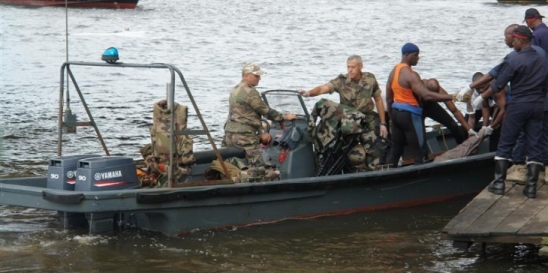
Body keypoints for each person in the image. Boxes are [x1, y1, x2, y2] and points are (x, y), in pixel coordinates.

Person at [487, 26, 548, 199]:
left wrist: (480, 95)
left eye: (514, 39)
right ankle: (531, 188)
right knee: (534, 144)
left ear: (520, 40)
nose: (512, 42)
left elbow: (498, 85)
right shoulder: (543, 60)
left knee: (506, 142)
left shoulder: (514, 60)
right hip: (537, 105)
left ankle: (498, 184)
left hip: (518, 105)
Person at [299, 55, 388, 169]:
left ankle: (374, 172)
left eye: (353, 67)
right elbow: (323, 88)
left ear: (360, 67)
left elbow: (378, 99)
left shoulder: (370, 79)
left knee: (375, 152)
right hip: (349, 123)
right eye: (348, 67)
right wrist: (309, 93)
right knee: (342, 152)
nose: (350, 70)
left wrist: (383, 123)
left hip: (367, 121)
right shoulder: (341, 81)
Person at [385, 43, 454, 167]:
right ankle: (422, 179)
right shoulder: (410, 75)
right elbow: (426, 95)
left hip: (396, 113)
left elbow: (389, 98)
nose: (418, 58)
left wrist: (391, 117)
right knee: (420, 152)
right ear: (406, 55)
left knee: (395, 152)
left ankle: (390, 174)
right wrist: (452, 97)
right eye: (415, 55)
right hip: (410, 115)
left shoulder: (393, 72)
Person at [224, 62, 296, 167]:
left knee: (232, 164)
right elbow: (265, 111)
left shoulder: (235, 90)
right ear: (246, 75)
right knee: (258, 167)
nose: (259, 78)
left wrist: (261, 131)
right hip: (245, 136)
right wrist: (284, 117)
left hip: (230, 134)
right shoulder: (250, 92)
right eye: (256, 76)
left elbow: (244, 114)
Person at [422, 78, 477, 145]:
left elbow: (455, 111)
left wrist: (469, 129)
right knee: (419, 134)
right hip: (417, 108)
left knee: (453, 125)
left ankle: (462, 146)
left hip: (431, 106)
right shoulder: (418, 87)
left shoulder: (440, 91)